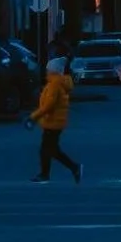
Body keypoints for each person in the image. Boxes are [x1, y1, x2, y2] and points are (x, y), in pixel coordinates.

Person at [32, 51, 81, 184]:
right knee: (52, 149)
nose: (46, 72)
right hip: (55, 121)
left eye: (48, 69)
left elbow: (48, 105)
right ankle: (73, 168)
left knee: (46, 150)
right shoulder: (57, 83)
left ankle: (46, 174)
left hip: (52, 121)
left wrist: (33, 117)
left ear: (53, 71)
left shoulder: (54, 84)